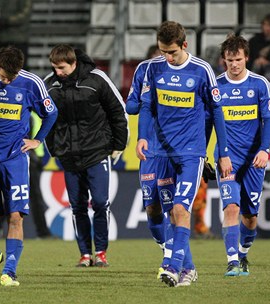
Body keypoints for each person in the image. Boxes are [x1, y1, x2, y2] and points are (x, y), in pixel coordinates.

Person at [136, 21, 232, 287]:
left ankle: (172, 266)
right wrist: (142, 137)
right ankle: (188, 268)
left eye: (172, 52)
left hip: (191, 153)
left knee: (180, 208)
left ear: (184, 45)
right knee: (168, 212)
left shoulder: (202, 71)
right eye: (163, 51)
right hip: (161, 152)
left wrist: (222, 153)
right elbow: (145, 106)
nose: (167, 57)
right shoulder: (153, 68)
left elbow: (217, 112)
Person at [0, 46, 58, 287]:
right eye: (5, 76)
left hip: (15, 159)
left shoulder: (30, 83)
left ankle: (10, 272)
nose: (8, 81)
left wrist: (37, 139)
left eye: (12, 77)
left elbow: (51, 113)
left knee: (15, 216)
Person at [44, 44, 128, 268]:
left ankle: (100, 252)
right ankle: (84, 254)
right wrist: (54, 148)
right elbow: (46, 119)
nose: (57, 72)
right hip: (69, 155)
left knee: (100, 202)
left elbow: (118, 111)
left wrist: (119, 144)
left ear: (73, 63)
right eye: (54, 67)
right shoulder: (49, 85)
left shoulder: (97, 79)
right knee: (77, 206)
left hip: (97, 151)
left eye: (61, 68)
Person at [215, 34, 270, 277]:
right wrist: (212, 155)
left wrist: (264, 150)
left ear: (246, 58)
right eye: (230, 60)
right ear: (223, 60)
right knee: (231, 207)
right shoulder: (216, 86)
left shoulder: (260, 85)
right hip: (227, 158)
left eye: (238, 59)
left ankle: (243, 251)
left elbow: (268, 120)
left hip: (254, 160)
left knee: (250, 216)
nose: (234, 64)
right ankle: (232, 262)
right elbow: (209, 124)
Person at [126, 44, 171, 274]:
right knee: (152, 206)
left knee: (173, 206)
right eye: (160, 55)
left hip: (173, 148)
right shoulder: (143, 70)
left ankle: (173, 255)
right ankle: (165, 246)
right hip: (149, 149)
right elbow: (130, 104)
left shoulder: (180, 72)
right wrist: (148, 100)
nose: (164, 59)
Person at [0, 0, 32, 67]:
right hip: (1, 39)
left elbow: (25, 14)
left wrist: (7, 21)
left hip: (18, 40)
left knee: (19, 71)